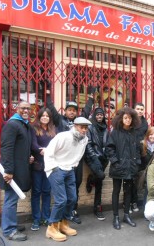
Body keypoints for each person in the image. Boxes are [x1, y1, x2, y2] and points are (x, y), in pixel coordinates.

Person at [45, 85, 95, 224]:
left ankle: (73, 211)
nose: (72, 112)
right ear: (65, 111)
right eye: (69, 110)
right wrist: (48, 92)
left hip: (74, 162)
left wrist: (91, 97)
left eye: (74, 110)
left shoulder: (80, 122)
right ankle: (58, 217)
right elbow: (51, 108)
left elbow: (86, 110)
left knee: (75, 186)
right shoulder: (59, 120)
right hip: (60, 162)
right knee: (61, 194)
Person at [44, 117, 92, 242]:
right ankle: (51, 227)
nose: (84, 130)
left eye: (86, 128)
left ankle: (63, 224)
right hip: (56, 169)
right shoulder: (63, 136)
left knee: (72, 198)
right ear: (75, 126)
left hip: (69, 169)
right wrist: (54, 168)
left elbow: (79, 154)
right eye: (82, 127)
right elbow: (49, 152)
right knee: (61, 200)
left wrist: (73, 166)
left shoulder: (85, 139)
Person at [0, 101, 32, 241]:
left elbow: (20, 147)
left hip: (19, 169)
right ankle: (9, 230)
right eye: (23, 108)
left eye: (28, 109)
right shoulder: (12, 124)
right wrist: (8, 170)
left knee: (13, 199)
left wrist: (28, 157)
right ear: (16, 109)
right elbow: (6, 148)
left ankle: (11, 224)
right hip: (12, 170)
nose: (26, 110)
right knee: (10, 200)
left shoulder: (23, 125)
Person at [105, 107, 141, 230]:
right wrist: (115, 163)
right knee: (116, 191)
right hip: (118, 168)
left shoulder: (134, 133)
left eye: (130, 118)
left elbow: (137, 150)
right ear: (120, 119)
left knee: (128, 191)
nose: (128, 120)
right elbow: (109, 149)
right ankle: (115, 217)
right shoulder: (115, 133)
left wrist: (137, 163)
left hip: (131, 168)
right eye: (125, 118)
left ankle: (126, 215)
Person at [30, 108, 57, 231]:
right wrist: (42, 150)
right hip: (37, 165)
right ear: (39, 116)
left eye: (47, 116)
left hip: (49, 166)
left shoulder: (53, 129)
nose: (45, 117)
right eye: (43, 115)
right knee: (36, 192)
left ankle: (45, 217)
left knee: (47, 192)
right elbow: (33, 144)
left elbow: (56, 144)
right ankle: (36, 219)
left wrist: (49, 152)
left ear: (50, 118)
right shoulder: (34, 128)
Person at [85, 107, 109, 220]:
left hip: (103, 158)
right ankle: (91, 180)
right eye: (98, 115)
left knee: (99, 183)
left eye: (101, 115)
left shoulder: (106, 128)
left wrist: (107, 155)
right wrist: (94, 156)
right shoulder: (90, 127)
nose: (99, 116)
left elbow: (108, 143)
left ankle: (97, 207)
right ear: (95, 116)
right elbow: (88, 143)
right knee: (100, 176)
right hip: (92, 157)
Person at [139, 126, 154, 206]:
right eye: (151, 134)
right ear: (147, 135)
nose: (153, 136)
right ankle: (146, 209)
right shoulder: (142, 145)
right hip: (146, 171)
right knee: (148, 190)